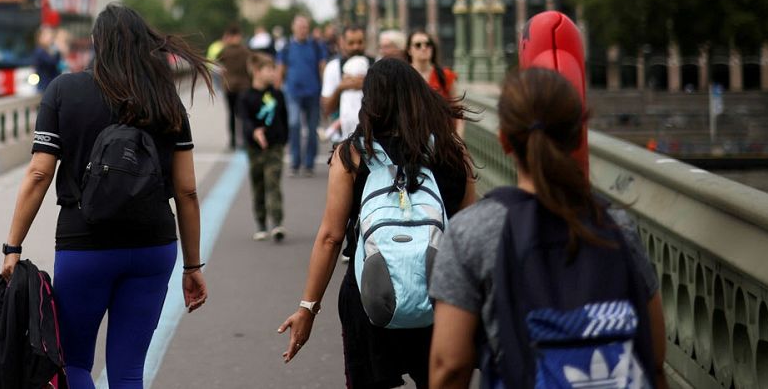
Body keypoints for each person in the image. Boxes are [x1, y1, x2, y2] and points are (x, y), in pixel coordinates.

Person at [0, 3, 212, 389]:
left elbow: (38, 173)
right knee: (129, 370)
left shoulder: (64, 90)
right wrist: (192, 266)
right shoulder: (167, 101)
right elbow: (187, 191)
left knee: (75, 363)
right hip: (153, 247)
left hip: (85, 245)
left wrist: (12, 245)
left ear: (96, 43)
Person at [428, 69, 667, 388]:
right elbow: (654, 356)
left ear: (504, 140)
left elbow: (451, 365)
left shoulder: (472, 231)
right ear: (577, 134)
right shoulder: (616, 225)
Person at [278, 57, 476, 388]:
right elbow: (470, 232)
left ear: (371, 103)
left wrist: (307, 309)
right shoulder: (452, 152)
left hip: (370, 297)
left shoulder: (352, 155)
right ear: (419, 97)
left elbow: (331, 237)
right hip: (441, 297)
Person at [239, 51, 288, 241]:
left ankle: (277, 223)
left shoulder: (277, 94)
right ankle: (261, 223)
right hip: (254, 149)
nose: (274, 73)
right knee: (258, 184)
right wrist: (255, 132)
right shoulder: (246, 97)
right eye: (270, 69)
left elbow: (284, 117)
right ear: (257, 71)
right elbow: (245, 119)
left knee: (273, 182)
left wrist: (284, 139)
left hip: (275, 146)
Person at [276, 15, 329, 177]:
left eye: (305, 27)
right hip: (292, 93)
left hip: (313, 93)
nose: (302, 30)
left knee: (312, 129)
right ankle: (295, 161)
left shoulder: (316, 46)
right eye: (299, 27)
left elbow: (322, 68)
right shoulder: (286, 47)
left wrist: (325, 91)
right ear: (293, 28)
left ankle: (309, 164)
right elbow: (280, 69)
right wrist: (276, 91)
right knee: (294, 124)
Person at [321, 26, 372, 144]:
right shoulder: (333, 67)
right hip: (342, 139)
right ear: (342, 43)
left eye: (360, 42)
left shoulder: (377, 65)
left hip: (373, 139)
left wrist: (368, 85)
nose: (356, 47)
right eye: (351, 43)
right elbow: (326, 109)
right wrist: (341, 88)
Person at [214, 24, 252, 151]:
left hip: (229, 86)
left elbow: (216, 60)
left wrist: (225, 42)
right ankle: (244, 140)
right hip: (244, 86)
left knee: (231, 114)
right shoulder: (245, 51)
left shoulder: (225, 50)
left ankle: (233, 141)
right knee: (243, 115)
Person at [407, 30, 456, 99]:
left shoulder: (446, 75)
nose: (423, 48)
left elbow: (456, 107)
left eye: (428, 44)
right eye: (418, 45)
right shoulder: (402, 75)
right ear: (409, 50)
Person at [32, 25, 64, 91]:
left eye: (51, 35)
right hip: (44, 86)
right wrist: (58, 51)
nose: (50, 38)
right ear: (40, 38)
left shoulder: (49, 49)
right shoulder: (39, 51)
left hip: (50, 85)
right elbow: (52, 62)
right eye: (47, 35)